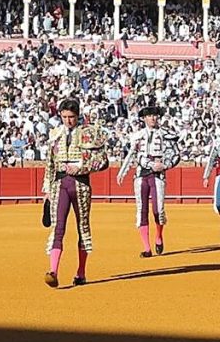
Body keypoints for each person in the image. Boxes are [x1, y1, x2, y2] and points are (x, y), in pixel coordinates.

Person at [42, 99, 108, 287]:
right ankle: (53, 271)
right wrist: (47, 188)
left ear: (77, 116)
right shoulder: (55, 134)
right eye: (64, 117)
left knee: (83, 228)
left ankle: (81, 272)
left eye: (71, 117)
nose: (68, 121)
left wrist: (80, 167)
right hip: (59, 184)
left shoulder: (89, 133)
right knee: (58, 227)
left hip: (80, 184)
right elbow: (50, 163)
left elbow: (102, 161)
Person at [117, 106, 180, 257]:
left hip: (158, 174)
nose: (153, 118)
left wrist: (165, 165)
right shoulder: (137, 135)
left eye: (155, 115)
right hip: (141, 174)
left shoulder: (167, 134)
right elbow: (133, 154)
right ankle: (146, 248)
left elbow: (177, 155)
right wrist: (122, 172)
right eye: (150, 116)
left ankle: (158, 236)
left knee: (158, 210)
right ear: (144, 118)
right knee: (141, 210)